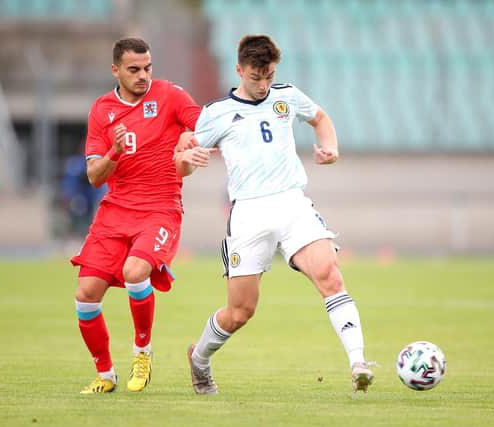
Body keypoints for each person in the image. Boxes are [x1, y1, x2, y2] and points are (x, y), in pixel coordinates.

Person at [176, 34, 374, 395]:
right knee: (240, 312)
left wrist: (330, 147)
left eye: (268, 75)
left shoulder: (286, 95)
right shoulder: (216, 113)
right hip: (249, 213)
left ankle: (358, 363)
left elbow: (320, 118)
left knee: (329, 274)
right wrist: (187, 161)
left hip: (292, 203)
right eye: (256, 77)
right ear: (239, 70)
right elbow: (182, 160)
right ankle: (199, 358)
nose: (264, 84)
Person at [70, 37, 202, 394]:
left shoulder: (170, 95)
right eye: (134, 69)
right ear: (115, 70)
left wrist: (189, 140)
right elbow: (95, 175)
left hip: (160, 207)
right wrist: (114, 150)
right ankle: (105, 374)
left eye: (148, 68)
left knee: (134, 272)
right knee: (85, 295)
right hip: (115, 211)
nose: (143, 75)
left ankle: (142, 353)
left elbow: (204, 124)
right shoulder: (101, 111)